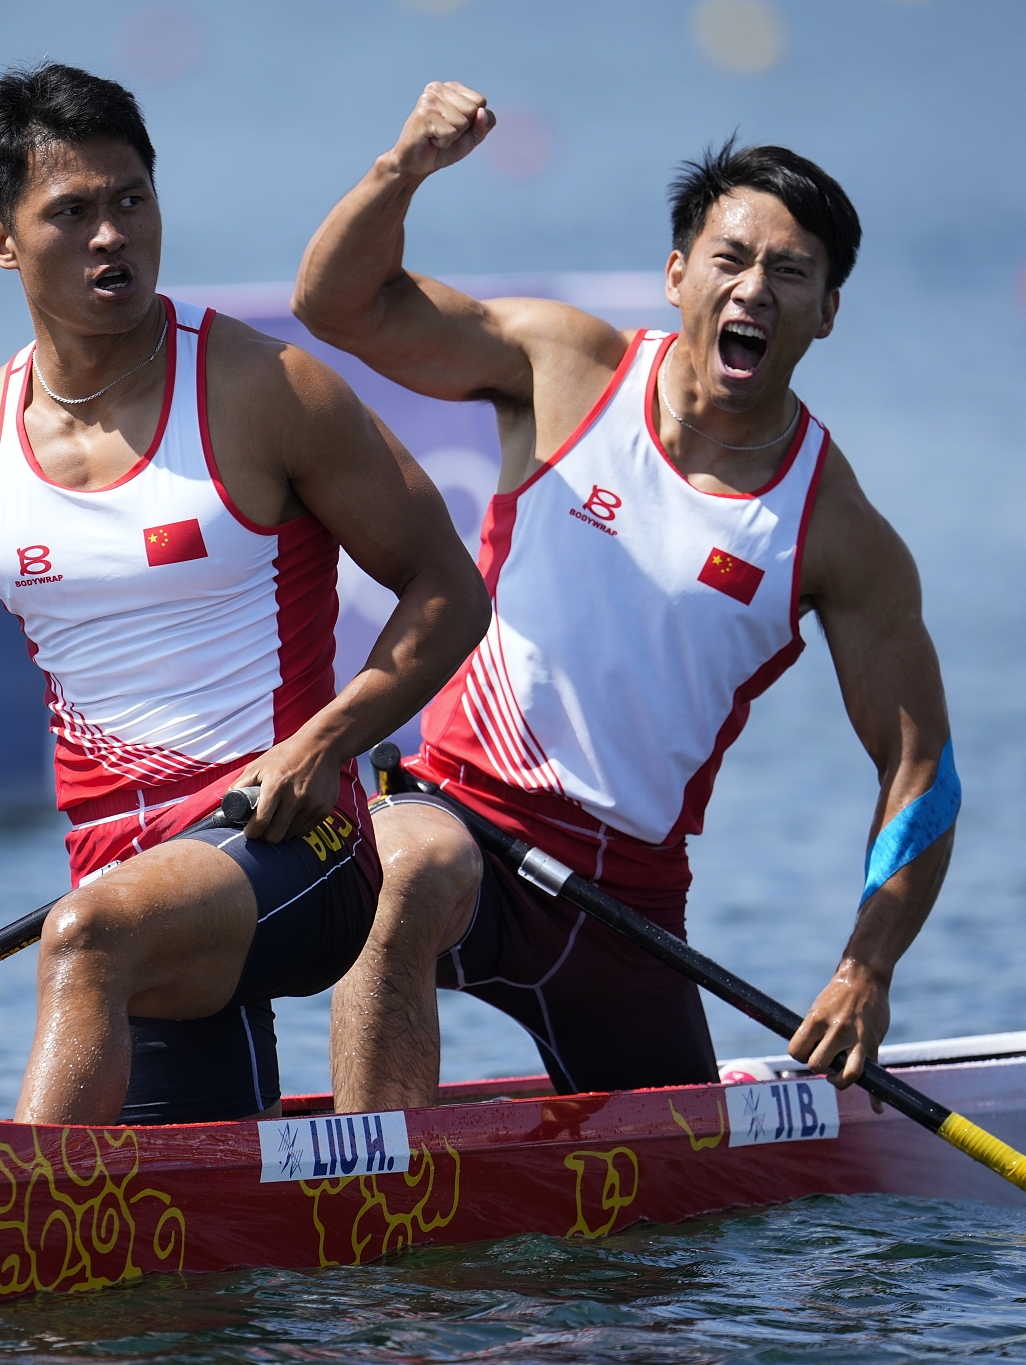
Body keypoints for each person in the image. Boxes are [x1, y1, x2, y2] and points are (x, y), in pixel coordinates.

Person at [0, 64, 488, 1126]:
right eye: (70, 213)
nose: (110, 235)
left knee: (81, 940)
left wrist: (323, 742)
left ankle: (10, 1265)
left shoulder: (267, 392)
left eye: (130, 200)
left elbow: (448, 591)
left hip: (293, 847)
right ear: (1, 243)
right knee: (184, 1273)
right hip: (129, 880)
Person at [296, 83, 957, 1108]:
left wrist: (865, 966)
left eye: (789, 273)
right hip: (456, 816)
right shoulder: (561, 365)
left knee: (674, 1256)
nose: (752, 291)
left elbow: (920, 770)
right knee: (404, 880)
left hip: (624, 897)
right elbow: (334, 307)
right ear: (675, 274)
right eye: (729, 260)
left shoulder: (837, 533)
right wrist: (404, 168)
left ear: (825, 313)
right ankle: (372, 1226)